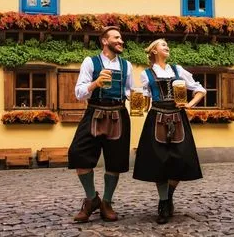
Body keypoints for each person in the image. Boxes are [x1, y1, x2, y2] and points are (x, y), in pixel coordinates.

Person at [132, 38, 205, 224]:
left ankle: (168, 195)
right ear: (154, 51)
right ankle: (164, 203)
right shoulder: (146, 74)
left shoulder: (178, 70)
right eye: (163, 45)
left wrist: (189, 104)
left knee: (179, 160)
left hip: (178, 117)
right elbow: (145, 100)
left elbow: (200, 90)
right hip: (156, 117)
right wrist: (136, 102)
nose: (167, 47)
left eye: (167, 45)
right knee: (159, 161)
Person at [68, 26, 134, 222]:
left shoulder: (126, 65)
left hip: (119, 113)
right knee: (78, 154)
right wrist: (96, 83)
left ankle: (106, 202)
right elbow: (79, 92)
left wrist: (140, 96)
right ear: (105, 41)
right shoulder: (90, 61)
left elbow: (129, 91)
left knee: (115, 161)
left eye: (121, 38)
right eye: (116, 38)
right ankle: (91, 198)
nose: (121, 41)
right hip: (94, 111)